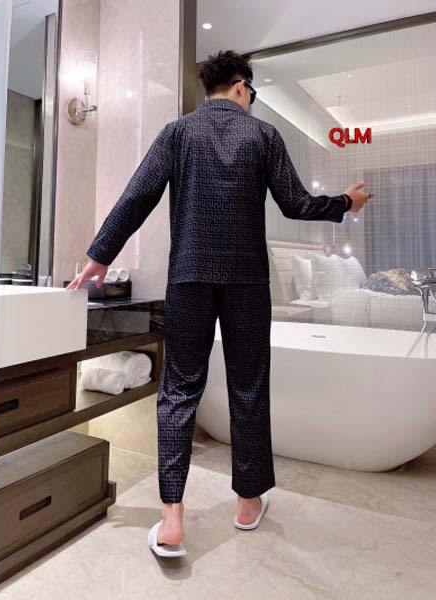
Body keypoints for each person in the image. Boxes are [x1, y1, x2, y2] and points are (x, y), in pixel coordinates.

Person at [66, 49, 373, 556]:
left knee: (179, 388)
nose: (251, 100)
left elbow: (136, 197)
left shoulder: (177, 133)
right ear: (241, 86)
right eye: (252, 92)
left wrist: (99, 257)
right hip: (248, 281)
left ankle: (171, 519)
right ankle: (249, 502)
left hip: (189, 277)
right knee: (248, 385)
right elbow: (296, 204)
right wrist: (346, 202)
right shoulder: (263, 136)